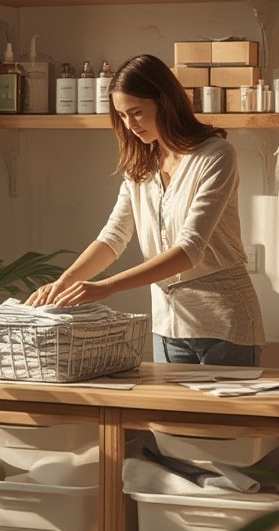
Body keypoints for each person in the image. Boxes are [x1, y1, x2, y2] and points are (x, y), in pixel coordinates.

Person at [26, 54, 265, 366]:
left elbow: (189, 250)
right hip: (167, 327)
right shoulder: (141, 166)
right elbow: (113, 237)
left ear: (165, 103)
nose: (130, 125)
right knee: (167, 416)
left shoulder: (215, 156)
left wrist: (105, 287)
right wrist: (66, 280)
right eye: (123, 116)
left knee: (224, 418)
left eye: (136, 113)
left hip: (225, 325)